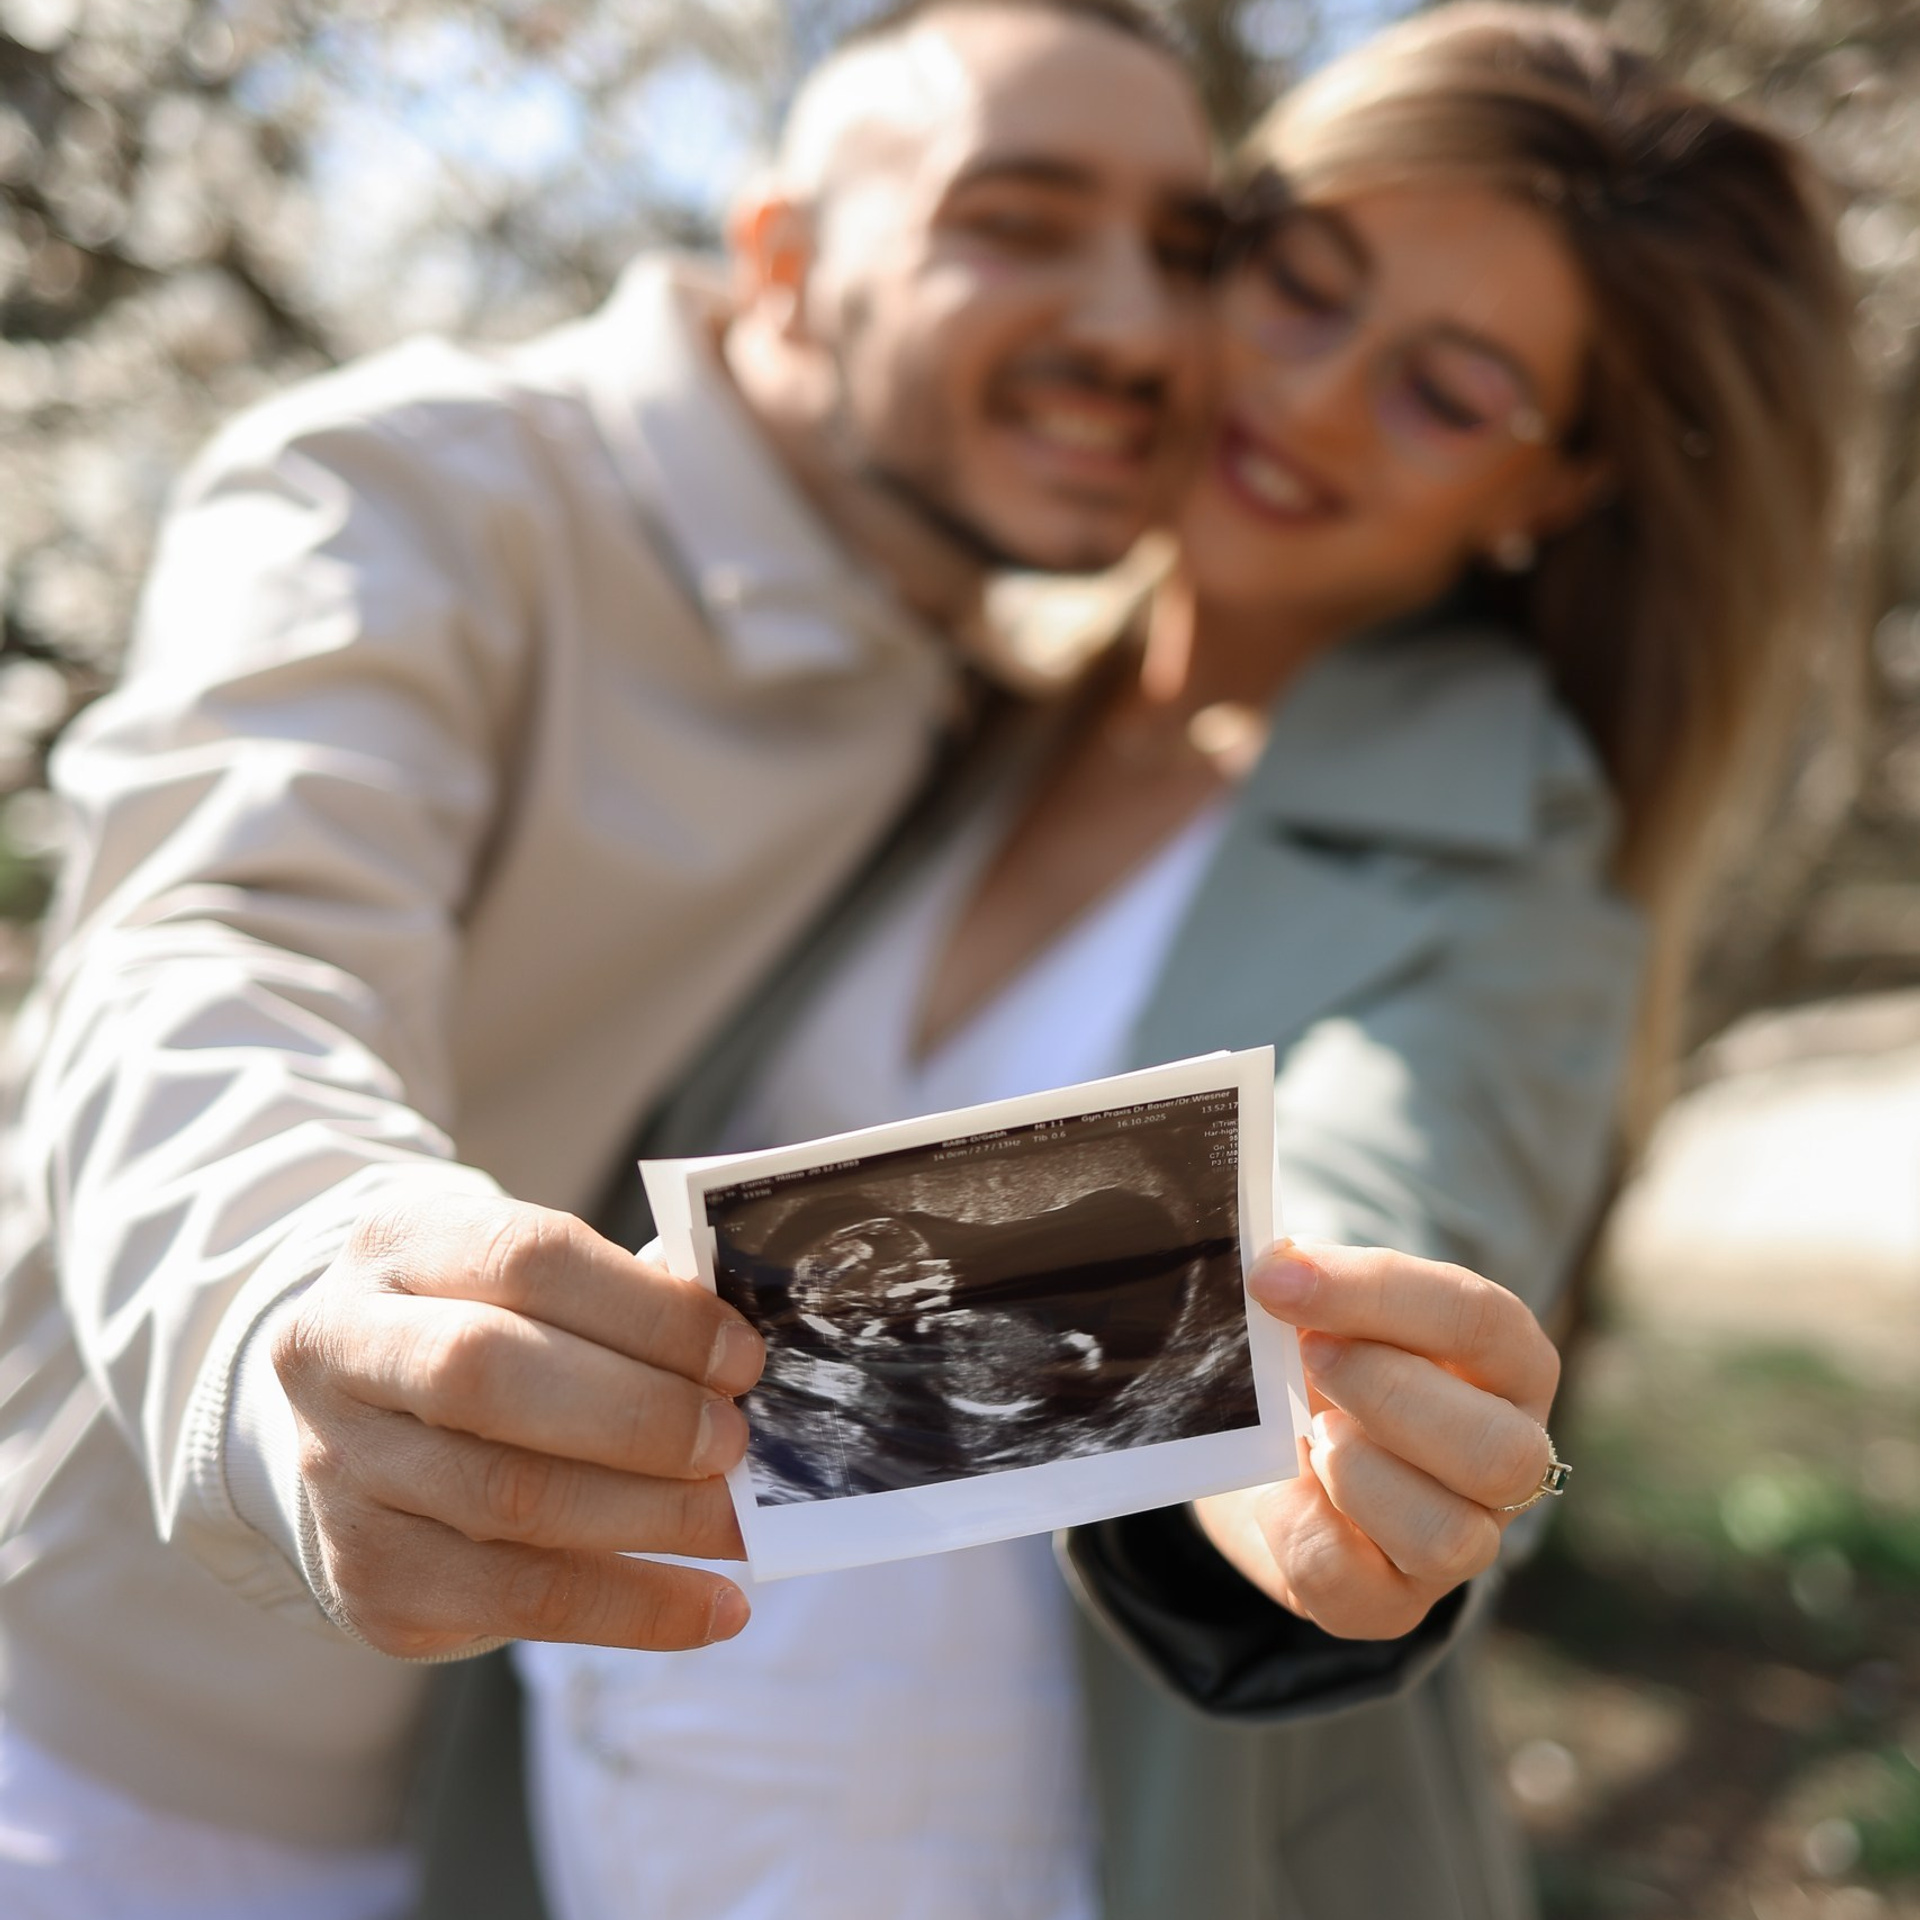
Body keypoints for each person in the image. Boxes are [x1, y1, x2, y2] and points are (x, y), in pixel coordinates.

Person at [0, 3, 1582, 1916]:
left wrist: (1307, 1399)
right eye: (1016, 218)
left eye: (1185, 249)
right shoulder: (410, 494)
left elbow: (1332, 1179)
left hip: (512, 1795)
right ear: (779, 255)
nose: (1144, 329)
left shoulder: (982, 699)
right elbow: (214, 946)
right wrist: (281, 1295)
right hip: (109, 1740)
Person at [510, 6, 1856, 1919]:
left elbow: (1381, 1198)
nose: (1307, 398)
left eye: (1445, 387)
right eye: (1301, 284)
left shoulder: (1512, 858)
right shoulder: (953, 705)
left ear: (1553, 489)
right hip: (599, 1819)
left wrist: (1318, 1403)